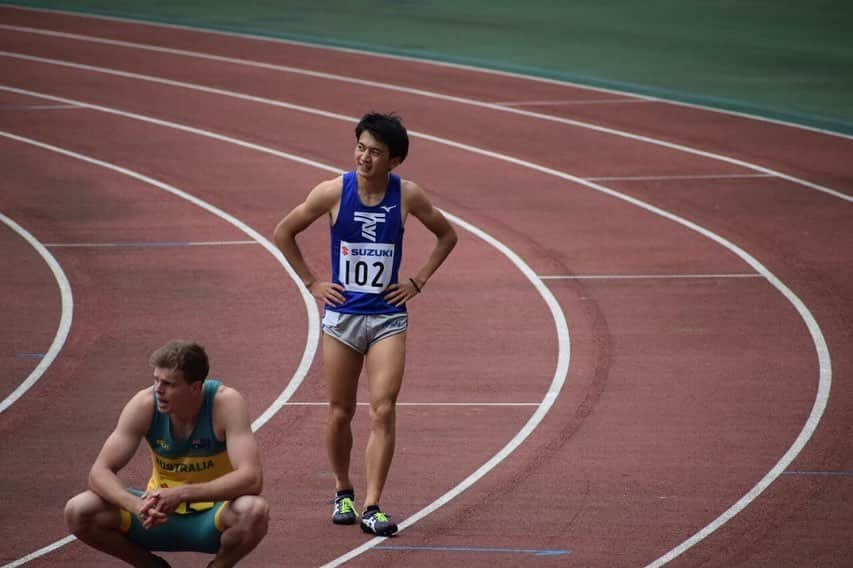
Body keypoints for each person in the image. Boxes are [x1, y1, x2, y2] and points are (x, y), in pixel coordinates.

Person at [273, 112, 457, 536]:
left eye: (375, 152)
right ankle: (343, 490)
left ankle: (373, 505)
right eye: (360, 147)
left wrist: (418, 280)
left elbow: (447, 235)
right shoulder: (334, 191)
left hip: (388, 318)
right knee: (340, 411)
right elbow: (285, 231)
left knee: (384, 409)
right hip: (342, 318)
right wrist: (312, 282)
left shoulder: (407, 195)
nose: (364, 157)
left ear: (395, 160)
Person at [64, 340, 269, 567]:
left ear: (195, 387)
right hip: (156, 516)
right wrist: (135, 505)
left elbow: (252, 478)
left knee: (254, 511)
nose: (158, 390)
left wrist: (182, 494)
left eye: (169, 384)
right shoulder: (144, 404)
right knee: (79, 509)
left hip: (213, 517)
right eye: (156, 380)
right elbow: (99, 472)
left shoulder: (225, 403)